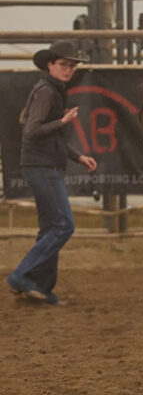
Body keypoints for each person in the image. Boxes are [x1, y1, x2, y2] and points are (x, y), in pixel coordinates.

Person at [6, 40, 97, 305]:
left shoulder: (52, 90)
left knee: (50, 228)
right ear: (51, 65)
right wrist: (63, 121)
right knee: (63, 225)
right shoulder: (47, 92)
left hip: (42, 164)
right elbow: (32, 131)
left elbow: (51, 137)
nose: (68, 70)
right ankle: (21, 276)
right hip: (41, 166)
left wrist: (79, 157)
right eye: (63, 65)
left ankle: (39, 288)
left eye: (71, 66)